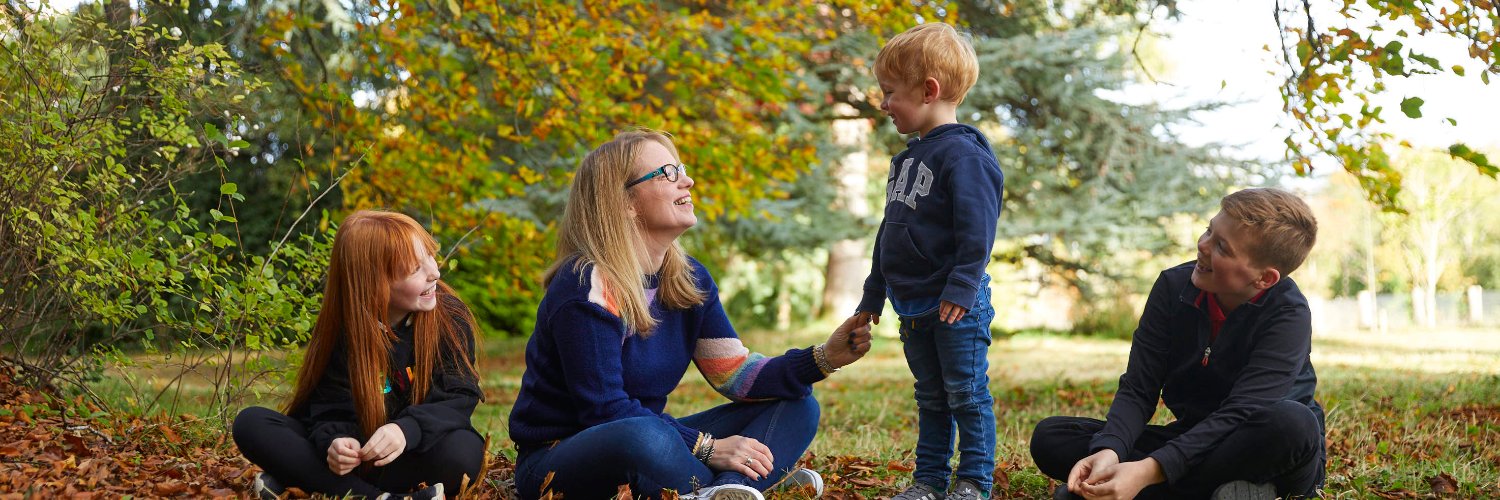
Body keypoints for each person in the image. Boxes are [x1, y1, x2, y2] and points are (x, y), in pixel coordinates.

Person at [507, 129, 874, 500]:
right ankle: (738, 485)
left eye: (679, 167)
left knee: (798, 405)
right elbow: (604, 411)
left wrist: (824, 358)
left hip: (646, 445)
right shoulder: (585, 285)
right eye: (667, 172)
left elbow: (737, 375)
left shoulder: (688, 279)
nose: (687, 179)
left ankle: (731, 491)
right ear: (625, 203)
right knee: (645, 434)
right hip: (560, 462)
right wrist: (708, 448)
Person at [1029, 188, 1325, 500]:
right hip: (1193, 440)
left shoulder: (1288, 314)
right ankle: (1227, 492)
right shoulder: (1172, 287)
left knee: (1293, 423)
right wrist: (1111, 451)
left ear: (1264, 279)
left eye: (1222, 247)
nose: (1203, 245)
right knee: (1052, 436)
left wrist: (1146, 470)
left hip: (1261, 444)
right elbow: (1138, 389)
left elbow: (1241, 413)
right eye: (1210, 230)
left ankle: (1142, 490)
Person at [850, 22, 1005, 500]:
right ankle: (929, 481)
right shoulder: (905, 161)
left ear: (929, 90)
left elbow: (978, 231)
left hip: (955, 303)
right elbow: (889, 232)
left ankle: (974, 481)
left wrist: (961, 286)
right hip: (912, 304)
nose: (882, 103)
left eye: (889, 92)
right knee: (931, 396)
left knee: (966, 392)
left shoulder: (964, 157)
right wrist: (874, 291)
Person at [233, 210, 484, 500]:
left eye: (430, 256)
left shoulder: (449, 315)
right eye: (416, 268)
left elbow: (458, 395)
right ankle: (375, 497)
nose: (435, 272)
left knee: (465, 453)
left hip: (412, 451)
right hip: (358, 457)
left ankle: (310, 481)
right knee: (251, 423)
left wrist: (406, 430)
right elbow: (328, 406)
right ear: (374, 281)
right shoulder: (343, 329)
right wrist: (337, 442)